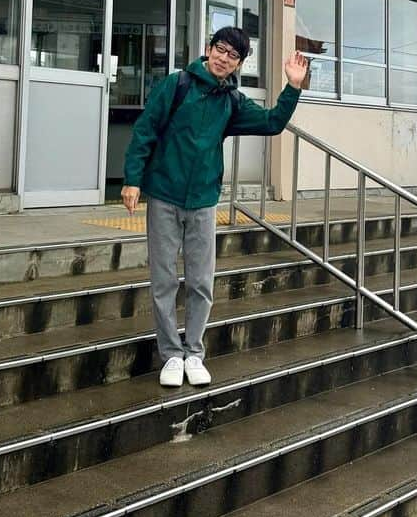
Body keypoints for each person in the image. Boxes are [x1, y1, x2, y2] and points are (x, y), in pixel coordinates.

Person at [122, 28, 308, 387]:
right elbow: (145, 131)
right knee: (163, 280)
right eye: (220, 50)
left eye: (233, 55)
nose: (224, 58)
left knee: (201, 282)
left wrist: (293, 87)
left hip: (204, 202)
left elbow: (272, 122)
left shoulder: (232, 101)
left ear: (239, 63)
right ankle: (171, 355)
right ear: (208, 50)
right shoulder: (177, 86)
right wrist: (132, 179)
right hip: (163, 195)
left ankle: (194, 352)